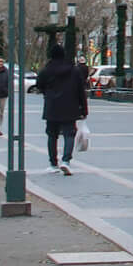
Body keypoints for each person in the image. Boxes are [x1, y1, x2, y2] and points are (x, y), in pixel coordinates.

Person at [34, 42, 88, 175]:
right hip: (70, 106)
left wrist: (47, 92)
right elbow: (81, 90)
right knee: (69, 134)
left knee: (52, 135)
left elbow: (39, 85)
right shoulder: (74, 70)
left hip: (52, 106)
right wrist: (84, 109)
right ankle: (66, 161)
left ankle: (53, 164)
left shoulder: (47, 70)